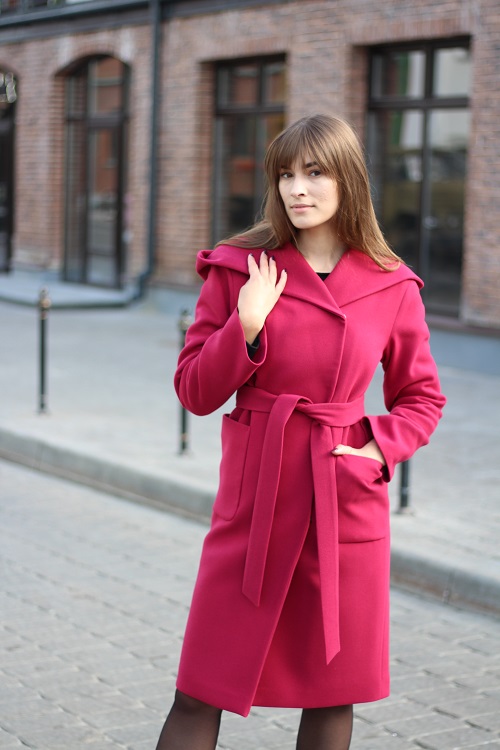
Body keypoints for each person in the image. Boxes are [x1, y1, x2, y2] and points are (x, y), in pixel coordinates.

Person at [155, 113, 445, 750]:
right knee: (200, 690)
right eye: (285, 174)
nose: (297, 188)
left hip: (341, 498)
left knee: (332, 695)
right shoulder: (239, 267)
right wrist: (245, 326)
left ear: (348, 180)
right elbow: (195, 392)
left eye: (314, 173)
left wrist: (375, 449)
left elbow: (422, 397)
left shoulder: (391, 284)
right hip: (254, 502)